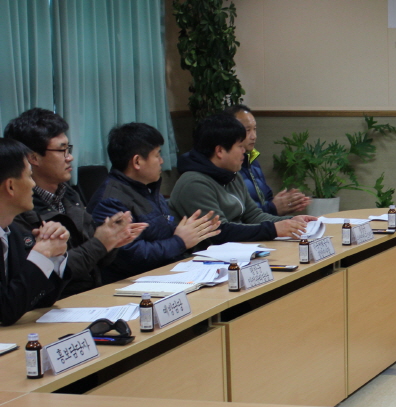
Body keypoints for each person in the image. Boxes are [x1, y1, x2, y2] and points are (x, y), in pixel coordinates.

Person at [4, 108, 145, 296]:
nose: (69, 157)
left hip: (90, 295)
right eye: (62, 150)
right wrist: (101, 243)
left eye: (68, 149)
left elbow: (94, 259)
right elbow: (54, 272)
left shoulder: (69, 194)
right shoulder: (18, 207)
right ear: (33, 158)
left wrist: (112, 240)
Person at [87, 123, 223, 282]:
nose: (162, 161)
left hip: (164, 273)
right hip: (130, 284)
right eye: (157, 155)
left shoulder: (147, 188)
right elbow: (131, 256)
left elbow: (163, 234)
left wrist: (193, 232)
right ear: (137, 161)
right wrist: (180, 242)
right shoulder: (111, 201)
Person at [169, 113, 316, 239]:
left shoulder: (232, 175)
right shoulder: (194, 183)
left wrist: (293, 221)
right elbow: (219, 232)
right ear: (219, 151)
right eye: (240, 146)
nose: (244, 151)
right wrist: (273, 229)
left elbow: (254, 216)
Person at [0, 138, 70, 325]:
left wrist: (54, 256)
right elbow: (5, 311)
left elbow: (39, 300)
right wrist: (40, 254)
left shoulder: (13, 232)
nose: (33, 184)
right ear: (10, 186)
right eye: (29, 176)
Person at [227, 104, 310, 215]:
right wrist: (273, 208)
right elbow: (240, 216)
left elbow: (266, 200)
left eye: (254, 129)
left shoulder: (253, 162)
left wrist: (284, 203)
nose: (254, 136)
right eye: (247, 130)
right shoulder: (228, 167)